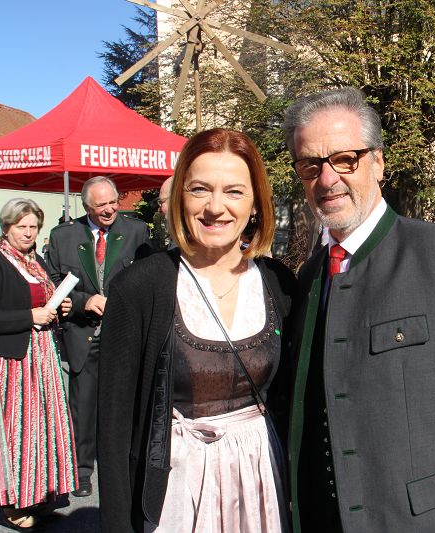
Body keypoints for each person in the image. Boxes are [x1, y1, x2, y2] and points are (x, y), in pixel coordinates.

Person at [283, 87, 435, 532]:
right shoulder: (308, 278)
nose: (327, 179)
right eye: (310, 165)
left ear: (378, 162)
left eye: (345, 159)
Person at [97, 128, 296, 533]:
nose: (215, 207)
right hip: (178, 491)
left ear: (256, 203)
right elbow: (113, 430)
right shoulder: (139, 288)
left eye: (234, 191)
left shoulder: (279, 283)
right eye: (200, 189)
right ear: (180, 198)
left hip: (262, 483)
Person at [0, 198, 76, 530]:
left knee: (41, 433)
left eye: (33, 227)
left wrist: (59, 308)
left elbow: (43, 305)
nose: (28, 233)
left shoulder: (36, 261)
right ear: (7, 227)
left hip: (41, 358)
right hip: (9, 363)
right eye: (21, 226)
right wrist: (31, 316)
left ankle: (37, 496)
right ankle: (11, 505)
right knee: (14, 436)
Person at [46, 176, 150, 498]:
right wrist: (83, 301)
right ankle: (81, 471)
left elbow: (147, 278)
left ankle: (119, 469)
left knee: (121, 405)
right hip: (82, 333)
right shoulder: (64, 236)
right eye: (100, 205)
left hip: (123, 334)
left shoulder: (136, 231)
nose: (109, 210)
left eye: (113, 202)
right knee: (83, 407)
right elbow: (52, 282)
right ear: (87, 207)